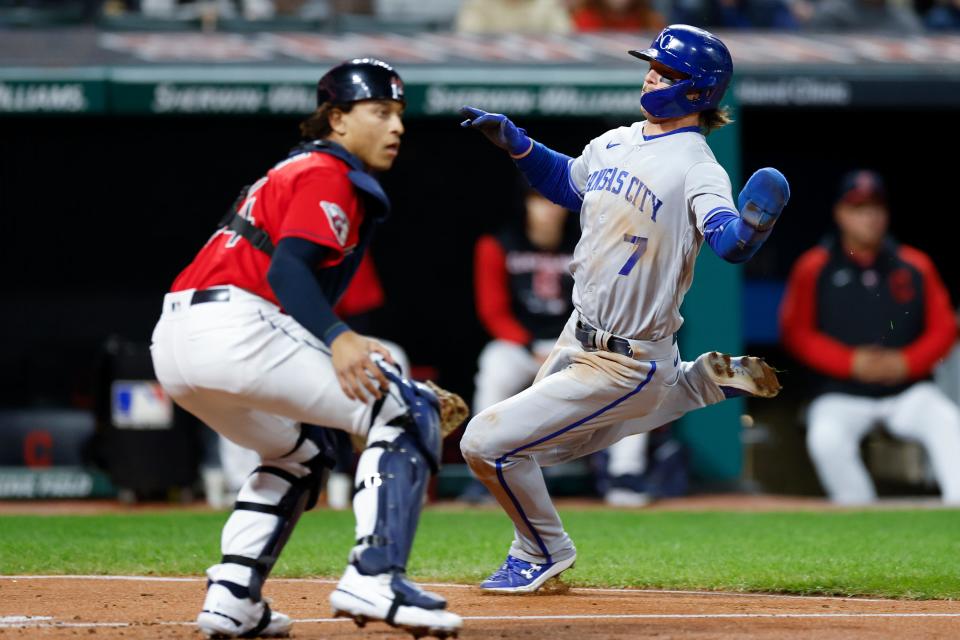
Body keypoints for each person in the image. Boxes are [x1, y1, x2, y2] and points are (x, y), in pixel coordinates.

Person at [458, 24, 789, 593]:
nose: (651, 75)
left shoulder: (698, 165)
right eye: (652, 66)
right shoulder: (617, 139)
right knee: (549, 449)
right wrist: (519, 145)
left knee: (486, 444)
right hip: (577, 336)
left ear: (696, 91)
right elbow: (568, 183)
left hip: (628, 358)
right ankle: (696, 385)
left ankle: (542, 550)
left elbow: (727, 241)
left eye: (666, 71)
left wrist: (753, 228)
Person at [149, 58, 463, 638]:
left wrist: (334, 338)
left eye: (400, 114)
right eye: (380, 112)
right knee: (407, 410)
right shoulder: (325, 169)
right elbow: (290, 271)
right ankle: (375, 574)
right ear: (338, 120)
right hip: (237, 327)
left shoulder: (295, 168)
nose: (396, 127)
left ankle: (233, 598)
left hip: (178, 340)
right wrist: (338, 338)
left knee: (303, 454)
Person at [779, 169, 960, 506]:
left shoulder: (914, 264)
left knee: (948, 421)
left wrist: (907, 362)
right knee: (826, 437)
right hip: (841, 392)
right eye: (859, 208)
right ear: (841, 214)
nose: (870, 217)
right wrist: (850, 363)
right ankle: (861, 513)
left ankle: (956, 510)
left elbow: (945, 328)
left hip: (907, 390)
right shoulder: (814, 266)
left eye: (876, 208)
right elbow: (796, 332)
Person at [466, 186, 651, 506]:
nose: (548, 210)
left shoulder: (586, 244)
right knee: (494, 367)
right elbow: (492, 311)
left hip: (574, 342)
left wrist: (574, 344)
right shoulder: (497, 244)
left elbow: (600, 304)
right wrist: (527, 346)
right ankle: (485, 475)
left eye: (554, 203)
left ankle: (626, 475)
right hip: (521, 346)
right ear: (526, 205)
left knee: (631, 371)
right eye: (538, 202)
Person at [455, 0, 573, 33]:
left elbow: (564, 41)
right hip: (490, 75)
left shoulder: (548, 4)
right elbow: (468, 40)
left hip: (541, 76)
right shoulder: (478, 4)